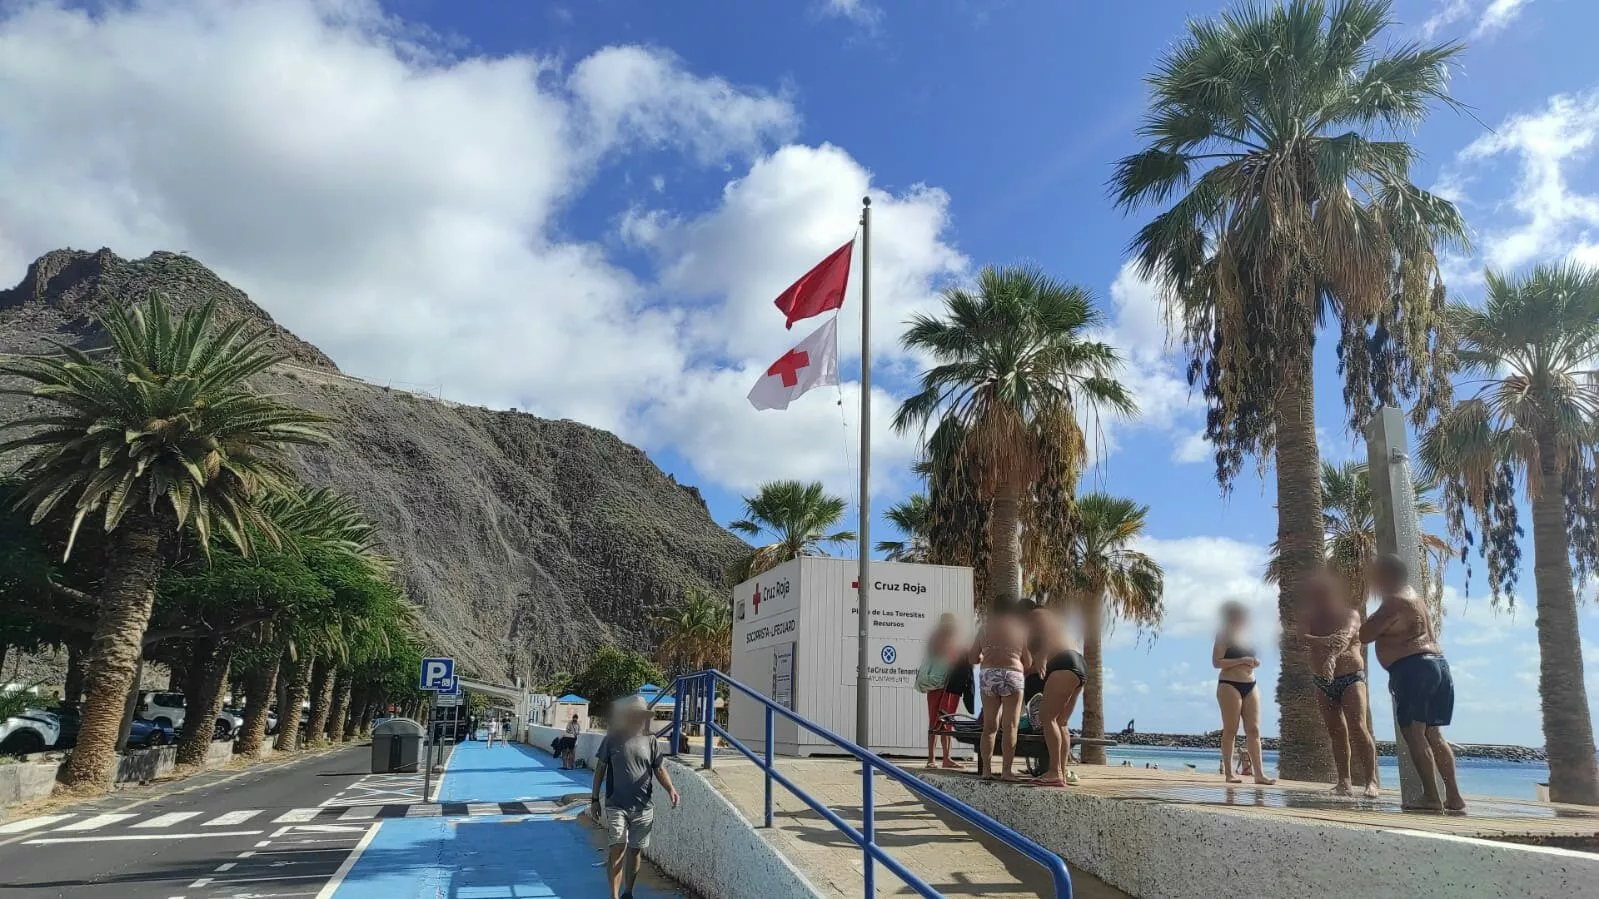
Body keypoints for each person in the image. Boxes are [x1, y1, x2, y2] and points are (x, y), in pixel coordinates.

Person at [1361, 554, 1464, 812]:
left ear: (1387, 575)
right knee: (1434, 734)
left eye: (1375, 575)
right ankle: (1454, 798)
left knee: (1414, 733)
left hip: (1414, 668)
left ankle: (1431, 796)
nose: (1372, 580)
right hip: (1437, 665)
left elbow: (1365, 634)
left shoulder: (1394, 601)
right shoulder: (1415, 598)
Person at [1300, 571, 1380, 798]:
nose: (1317, 599)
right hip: (1322, 680)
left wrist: (1331, 656)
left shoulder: (1350, 614)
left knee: (1358, 726)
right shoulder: (1309, 616)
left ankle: (1370, 781)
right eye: (1314, 595)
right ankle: (1343, 781)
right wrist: (1324, 641)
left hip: (1350, 677)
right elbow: (1302, 637)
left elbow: (1344, 638)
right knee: (1336, 731)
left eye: (1322, 594)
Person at [591, 696, 679, 899]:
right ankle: (613, 896)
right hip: (616, 805)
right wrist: (594, 799)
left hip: (643, 806)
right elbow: (600, 770)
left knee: (635, 850)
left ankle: (628, 893)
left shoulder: (651, 740)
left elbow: (659, 769)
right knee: (617, 848)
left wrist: (671, 789)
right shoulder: (612, 739)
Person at [1213, 601, 1274, 785]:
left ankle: (1259, 774)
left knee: (1254, 730)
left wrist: (1255, 661)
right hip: (1229, 684)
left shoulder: (1248, 636)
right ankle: (1230, 773)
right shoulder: (1223, 635)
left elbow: (1253, 657)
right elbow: (1217, 662)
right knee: (1231, 729)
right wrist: (1241, 660)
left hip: (1251, 683)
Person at [970, 605, 1030, 781]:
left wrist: (984, 657)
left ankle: (986, 771)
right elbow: (1027, 661)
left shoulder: (984, 629)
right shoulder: (1020, 630)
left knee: (989, 726)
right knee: (1010, 726)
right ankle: (1006, 772)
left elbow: (972, 657)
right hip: (1012, 674)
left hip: (989, 675)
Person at [1028, 607, 1086, 788]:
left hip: (1064, 663)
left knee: (1047, 718)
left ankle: (1054, 772)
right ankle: (1061, 771)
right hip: (1079, 664)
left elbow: (1045, 633)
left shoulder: (1036, 614)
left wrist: (1042, 656)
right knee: (1061, 722)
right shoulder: (1055, 619)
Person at [916, 613, 964, 770]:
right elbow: (938, 653)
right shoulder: (937, 637)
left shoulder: (952, 638)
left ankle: (947, 758)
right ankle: (931, 758)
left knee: (947, 722)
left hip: (949, 686)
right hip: (937, 686)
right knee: (934, 722)